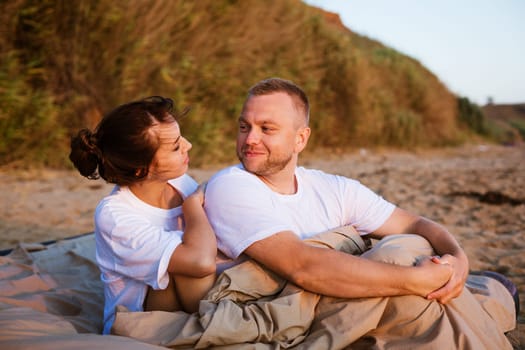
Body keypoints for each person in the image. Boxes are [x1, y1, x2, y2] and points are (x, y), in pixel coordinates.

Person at [203, 77, 511, 306]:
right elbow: (303, 267)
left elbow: (416, 224)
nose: (250, 139)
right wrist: (414, 281)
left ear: (300, 139)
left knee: (415, 249)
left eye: (266, 129)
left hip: (356, 298)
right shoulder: (232, 186)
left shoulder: (333, 189)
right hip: (306, 309)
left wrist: (459, 258)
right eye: (244, 127)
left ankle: (483, 286)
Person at [69, 96, 216, 335]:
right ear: (141, 169)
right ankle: (219, 322)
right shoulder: (115, 216)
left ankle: (222, 318)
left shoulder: (178, 182)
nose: (188, 145)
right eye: (176, 146)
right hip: (142, 320)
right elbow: (200, 263)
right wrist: (192, 208)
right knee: (186, 262)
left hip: (188, 303)